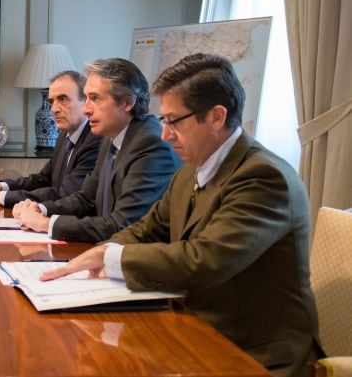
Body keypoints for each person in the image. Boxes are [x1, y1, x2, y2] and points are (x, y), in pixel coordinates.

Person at [41, 54, 319, 377]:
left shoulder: (263, 179)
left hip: (253, 353)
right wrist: (100, 255)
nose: (165, 135)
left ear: (216, 117)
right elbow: (147, 229)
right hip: (192, 327)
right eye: (164, 121)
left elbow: (204, 260)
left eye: (175, 122)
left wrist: (113, 258)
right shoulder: (191, 170)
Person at [13, 58, 180, 242]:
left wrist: (46, 224)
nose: (86, 110)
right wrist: (41, 209)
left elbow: (123, 225)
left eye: (95, 98)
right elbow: (86, 198)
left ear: (127, 103)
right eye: (86, 98)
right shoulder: (110, 139)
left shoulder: (150, 144)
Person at [0, 71, 101, 208]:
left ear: (85, 101)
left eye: (63, 99)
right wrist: (0, 187)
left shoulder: (95, 141)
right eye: (51, 101)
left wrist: (0, 197)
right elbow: (43, 179)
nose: (54, 109)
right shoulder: (63, 137)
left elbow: (65, 194)